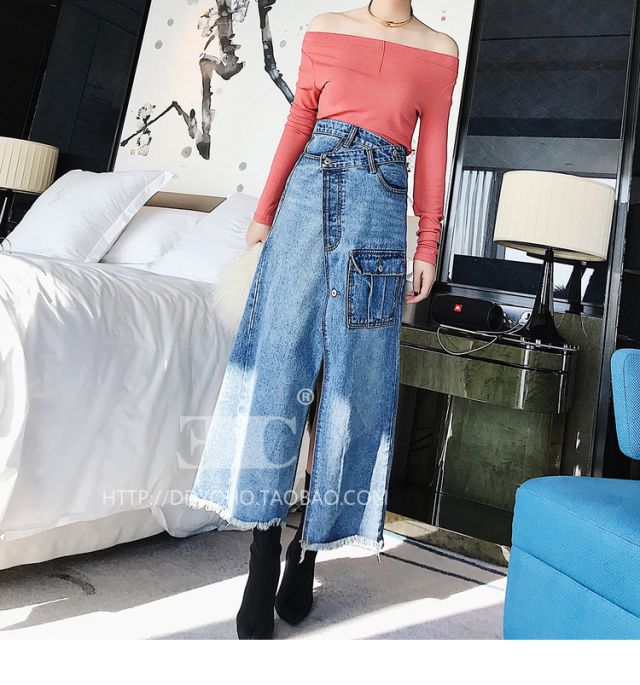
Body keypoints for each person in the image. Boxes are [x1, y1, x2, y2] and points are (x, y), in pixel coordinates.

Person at [187, 0, 459, 639]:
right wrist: (263, 215)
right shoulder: (327, 29)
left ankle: (307, 550)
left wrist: (427, 243)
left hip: (379, 220)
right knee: (277, 372)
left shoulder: (439, 51)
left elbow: (433, 148)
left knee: (350, 388)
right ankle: (261, 553)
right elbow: (299, 121)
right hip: (304, 207)